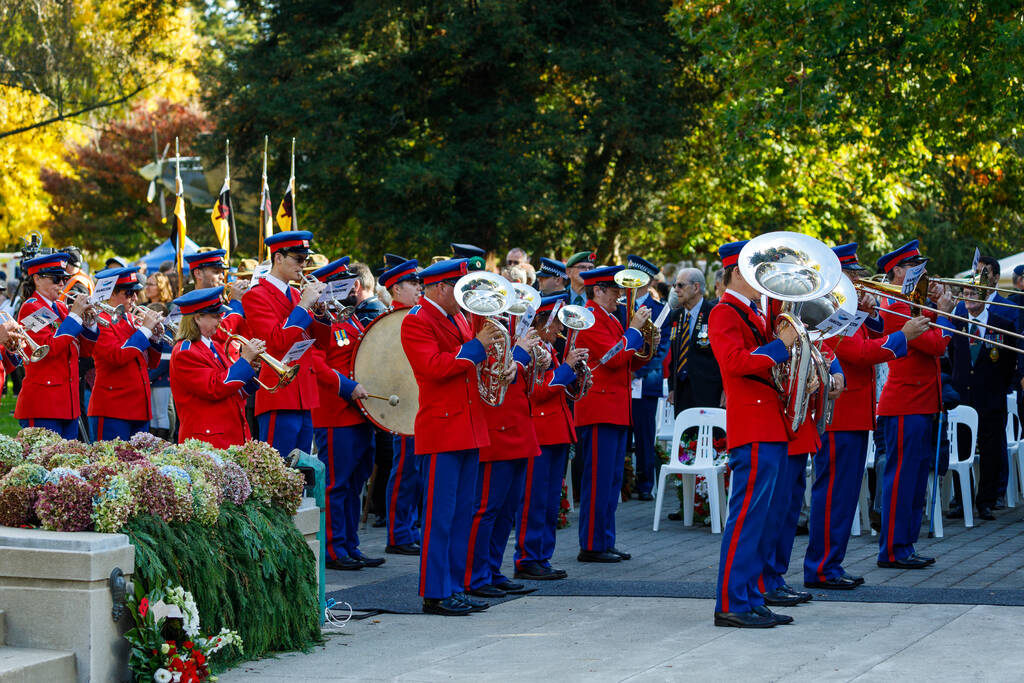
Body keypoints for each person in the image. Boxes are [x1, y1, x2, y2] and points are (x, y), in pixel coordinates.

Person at [804, 244, 925, 590]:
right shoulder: (828, 309)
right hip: (840, 414)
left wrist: (870, 315)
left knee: (844, 495)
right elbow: (858, 353)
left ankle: (831, 564)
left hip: (854, 413)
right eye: (854, 276)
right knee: (834, 494)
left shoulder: (847, 308)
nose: (860, 282)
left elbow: (869, 338)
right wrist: (904, 336)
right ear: (839, 276)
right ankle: (822, 567)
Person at [400, 258, 499, 616]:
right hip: (442, 429)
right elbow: (433, 367)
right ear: (440, 288)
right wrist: (477, 347)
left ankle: (455, 586)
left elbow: (468, 364)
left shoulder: (457, 316)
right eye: (460, 289)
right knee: (439, 517)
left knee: (461, 515)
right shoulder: (416, 320)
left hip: (468, 426)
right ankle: (436, 592)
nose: (466, 296)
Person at [708, 240, 799, 629]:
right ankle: (732, 602)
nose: (765, 280)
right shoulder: (724, 312)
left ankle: (751, 596)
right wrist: (780, 346)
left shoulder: (752, 313)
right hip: (753, 425)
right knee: (746, 519)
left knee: (762, 520)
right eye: (757, 272)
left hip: (768, 423)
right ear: (736, 273)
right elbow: (735, 363)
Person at [875, 239, 955, 569]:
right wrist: (946, 313)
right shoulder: (895, 307)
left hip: (921, 403)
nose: (921, 271)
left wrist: (936, 305)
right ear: (897, 272)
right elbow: (936, 345)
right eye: (913, 267)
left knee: (917, 478)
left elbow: (932, 330)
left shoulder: (912, 303)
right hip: (905, 404)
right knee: (901, 480)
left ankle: (905, 545)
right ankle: (893, 550)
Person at [573, 265, 654, 563]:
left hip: (615, 408)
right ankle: (592, 544)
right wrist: (634, 330)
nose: (619, 297)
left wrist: (647, 342)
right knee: (599, 479)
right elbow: (613, 359)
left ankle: (605, 540)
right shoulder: (590, 318)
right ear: (598, 290)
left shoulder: (608, 317)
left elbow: (629, 362)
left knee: (611, 480)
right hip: (600, 408)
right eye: (614, 291)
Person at [309, 257, 386, 571]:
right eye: (339, 284)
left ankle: (350, 545)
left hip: (359, 412)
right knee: (337, 485)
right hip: (336, 413)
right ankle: (333, 548)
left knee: (356, 483)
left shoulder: (347, 316)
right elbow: (315, 363)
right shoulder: (318, 318)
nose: (348, 289)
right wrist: (347, 386)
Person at [464, 319, 541, 599]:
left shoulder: (509, 329)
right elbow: (491, 373)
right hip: (496, 430)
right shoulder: (480, 327)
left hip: (519, 427)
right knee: (487, 510)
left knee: (507, 511)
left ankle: (492, 570)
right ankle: (475, 576)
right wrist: (519, 354)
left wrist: (535, 359)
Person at [241, 231, 331, 458]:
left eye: (305, 260)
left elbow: (321, 343)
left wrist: (321, 314)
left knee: (302, 470)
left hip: (304, 394)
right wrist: (303, 307)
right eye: (298, 259)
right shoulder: (256, 295)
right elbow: (276, 342)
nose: (303, 266)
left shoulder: (295, 293)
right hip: (279, 394)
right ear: (278, 257)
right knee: (279, 469)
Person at [514, 293, 582, 581]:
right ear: (542, 323)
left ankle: (542, 555)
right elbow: (537, 392)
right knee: (535, 499)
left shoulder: (549, 349)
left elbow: (561, 391)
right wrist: (566, 368)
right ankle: (528, 558)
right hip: (540, 432)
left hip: (556, 430)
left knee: (551, 500)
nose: (560, 330)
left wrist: (577, 376)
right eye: (556, 324)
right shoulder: (533, 349)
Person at [947, 286, 1017, 520]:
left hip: (991, 397)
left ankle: (986, 501)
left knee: (991, 451)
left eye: (974, 293)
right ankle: (961, 500)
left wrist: (996, 388)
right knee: (961, 449)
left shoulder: (1002, 324)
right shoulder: (956, 324)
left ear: (986, 296)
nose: (968, 298)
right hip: (963, 399)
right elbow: (953, 358)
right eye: (965, 293)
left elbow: (1008, 364)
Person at [15, 253, 98, 439]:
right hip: (43, 403)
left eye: (64, 278)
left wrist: (90, 324)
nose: (62, 284)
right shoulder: (31, 307)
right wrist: (74, 316)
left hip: (67, 403)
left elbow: (84, 351)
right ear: (37, 279)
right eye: (56, 278)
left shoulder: (59, 307)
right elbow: (49, 348)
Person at [168, 287, 262, 447]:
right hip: (207, 440)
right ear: (198, 318)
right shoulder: (185, 352)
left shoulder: (216, 346)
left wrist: (250, 370)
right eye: (215, 316)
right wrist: (244, 361)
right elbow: (215, 388)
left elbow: (233, 391)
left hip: (230, 433)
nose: (221, 319)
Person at [380, 259, 424, 556]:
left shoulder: (413, 316)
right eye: (413, 283)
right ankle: (398, 533)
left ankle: (409, 528)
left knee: (416, 471)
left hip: (420, 402)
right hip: (404, 404)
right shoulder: (391, 322)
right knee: (405, 471)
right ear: (396, 288)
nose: (419, 288)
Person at [88, 267, 164, 440]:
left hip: (139, 408)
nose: (135, 298)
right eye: (129, 293)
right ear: (112, 293)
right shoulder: (100, 320)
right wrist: (145, 330)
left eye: (136, 292)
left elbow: (151, 363)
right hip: (113, 408)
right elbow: (117, 357)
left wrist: (155, 337)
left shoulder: (131, 319)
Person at [623, 255, 670, 501]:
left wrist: (636, 371)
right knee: (621, 434)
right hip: (621, 379)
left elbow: (661, 348)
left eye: (639, 278)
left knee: (644, 434)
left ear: (649, 281)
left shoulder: (661, 310)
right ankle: (623, 483)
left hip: (645, 380)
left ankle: (644, 484)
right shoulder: (620, 306)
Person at [667, 268, 723, 414]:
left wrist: (725, 389)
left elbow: (723, 357)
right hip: (681, 392)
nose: (676, 290)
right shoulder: (675, 316)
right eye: (674, 285)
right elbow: (674, 355)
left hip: (709, 393)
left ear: (696, 287)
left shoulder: (715, 313)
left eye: (680, 285)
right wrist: (672, 387)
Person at [146, 302, 174, 440]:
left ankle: (163, 442)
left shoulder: (166, 333)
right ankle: (154, 442)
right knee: (153, 415)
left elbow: (165, 360)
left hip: (162, 380)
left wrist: (149, 376)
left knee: (161, 414)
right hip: (154, 378)